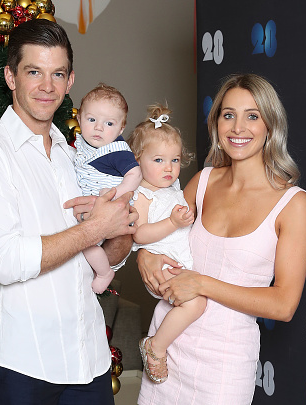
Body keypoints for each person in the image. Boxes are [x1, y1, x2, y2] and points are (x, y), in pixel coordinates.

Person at [0, 19, 137, 405]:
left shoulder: (76, 157)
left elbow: (109, 255)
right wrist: (93, 230)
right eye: (33, 71)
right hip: (23, 366)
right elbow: (5, 261)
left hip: (90, 361)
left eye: (58, 74)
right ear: (11, 76)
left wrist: (121, 230)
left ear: (70, 82)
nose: (47, 86)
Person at [136, 74, 306, 404]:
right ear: (216, 123)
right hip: (165, 346)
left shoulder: (294, 204)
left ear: (271, 125)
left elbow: (284, 304)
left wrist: (202, 284)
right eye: (228, 115)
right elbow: (155, 232)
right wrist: (144, 256)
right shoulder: (202, 182)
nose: (238, 127)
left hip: (226, 364)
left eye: (252, 116)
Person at [126, 104, 205, 384]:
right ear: (138, 159)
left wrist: (186, 216)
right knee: (195, 305)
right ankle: (155, 347)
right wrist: (173, 223)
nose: (168, 168)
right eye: (158, 160)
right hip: (164, 263)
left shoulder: (171, 188)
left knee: (195, 304)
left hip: (178, 258)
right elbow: (139, 234)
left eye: (174, 160)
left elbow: (179, 214)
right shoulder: (143, 194)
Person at [74, 83, 142, 293]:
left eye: (109, 123)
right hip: (88, 209)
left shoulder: (117, 151)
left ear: (121, 128)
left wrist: (117, 195)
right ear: (79, 119)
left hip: (107, 209)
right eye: (91, 119)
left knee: (84, 243)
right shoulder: (80, 144)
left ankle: (104, 273)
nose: (98, 128)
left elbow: (136, 174)